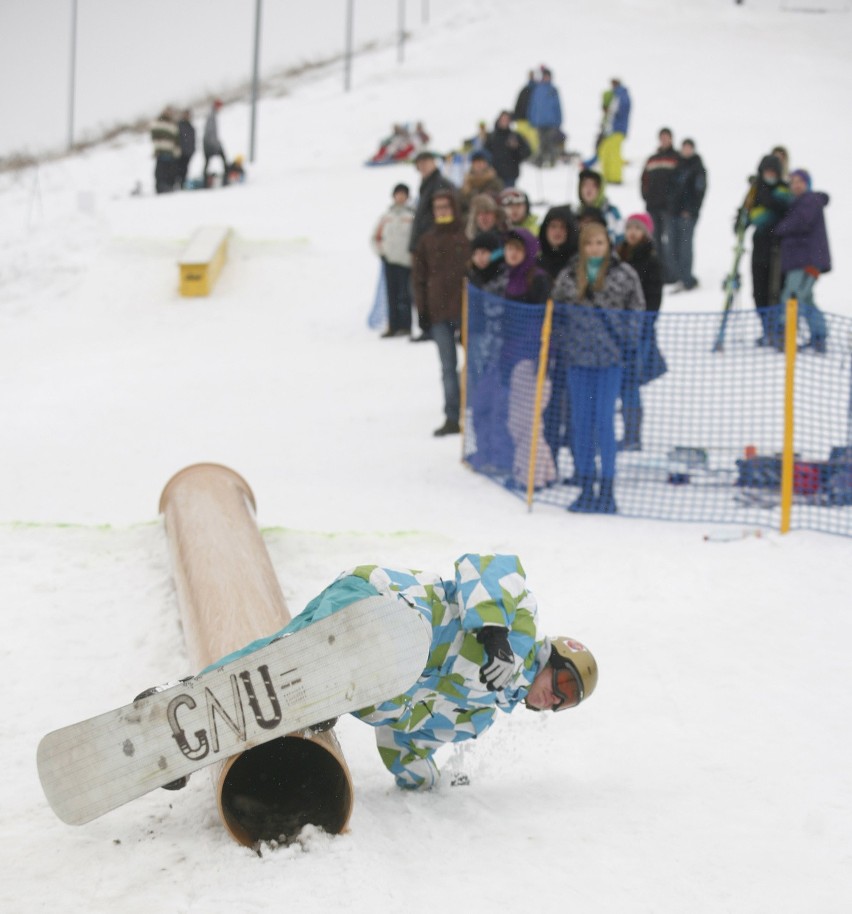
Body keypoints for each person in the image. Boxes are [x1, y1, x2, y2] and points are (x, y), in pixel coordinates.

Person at [205, 553, 598, 791]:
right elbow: (491, 566)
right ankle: (337, 677)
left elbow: (404, 744)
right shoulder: (522, 626)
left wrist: (426, 780)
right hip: (381, 602)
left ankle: (194, 702)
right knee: (290, 662)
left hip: (360, 669)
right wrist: (494, 630)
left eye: (564, 703)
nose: (555, 698)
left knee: (277, 662)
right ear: (553, 658)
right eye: (563, 683)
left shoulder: (475, 717)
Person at [552, 222, 645, 513]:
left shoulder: (624, 275)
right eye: (589, 244)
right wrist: (564, 342)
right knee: (580, 424)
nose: (594, 249)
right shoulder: (568, 276)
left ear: (608, 245)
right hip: (578, 361)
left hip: (609, 360)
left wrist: (626, 340)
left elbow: (637, 308)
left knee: (603, 422)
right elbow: (556, 313)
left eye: (600, 243)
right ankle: (586, 485)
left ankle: (607, 486)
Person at [499, 229, 556, 490]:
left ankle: (528, 475)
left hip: (533, 359)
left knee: (526, 421)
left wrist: (539, 357)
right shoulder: (511, 278)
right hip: (514, 357)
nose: (512, 253)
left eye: (518, 249)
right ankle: (545, 472)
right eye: (509, 248)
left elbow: (543, 321)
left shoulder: (537, 279)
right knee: (522, 420)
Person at [412, 190, 470, 436]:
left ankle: (473, 412)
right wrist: (422, 311)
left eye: (446, 207)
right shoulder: (427, 240)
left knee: (473, 364)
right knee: (447, 367)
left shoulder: (466, 236)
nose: (442, 212)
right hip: (438, 312)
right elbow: (419, 278)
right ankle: (451, 416)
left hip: (466, 311)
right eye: (438, 208)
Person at [537, 206, 580, 481]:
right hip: (544, 346)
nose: (557, 232)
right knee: (549, 409)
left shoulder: (577, 264)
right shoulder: (537, 262)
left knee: (575, 408)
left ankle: (581, 467)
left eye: (562, 228)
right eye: (552, 227)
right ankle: (548, 463)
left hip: (574, 346)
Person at [616, 213, 665, 451]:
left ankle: (632, 435)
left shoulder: (651, 260)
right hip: (616, 330)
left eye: (637, 228)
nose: (632, 232)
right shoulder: (618, 255)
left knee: (630, 383)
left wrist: (643, 326)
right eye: (629, 228)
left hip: (639, 331)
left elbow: (654, 299)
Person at [773, 169, 831, 353]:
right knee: (805, 298)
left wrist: (778, 228)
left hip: (806, 261)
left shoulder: (809, 201)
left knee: (792, 296)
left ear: (807, 184)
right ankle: (819, 336)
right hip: (801, 260)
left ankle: (786, 337)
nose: (796, 185)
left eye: (800, 181)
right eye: (793, 182)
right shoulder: (798, 203)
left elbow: (799, 223)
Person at [409, 151, 458, 341]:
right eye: (419, 163)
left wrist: (430, 238)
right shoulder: (426, 184)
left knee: (432, 286)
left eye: (426, 162)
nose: (422, 166)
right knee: (421, 286)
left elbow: (442, 216)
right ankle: (430, 326)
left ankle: (436, 327)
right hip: (424, 244)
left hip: (434, 245)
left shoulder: (439, 183)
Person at [743, 153, 792, 345]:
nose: (769, 175)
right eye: (766, 171)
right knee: (759, 290)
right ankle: (766, 329)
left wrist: (761, 208)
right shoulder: (755, 191)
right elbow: (750, 214)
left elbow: (779, 210)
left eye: (773, 172)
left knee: (776, 289)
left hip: (778, 248)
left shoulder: (783, 190)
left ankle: (778, 330)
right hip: (760, 246)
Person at [371, 183, 415, 338]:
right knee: (392, 295)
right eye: (398, 194)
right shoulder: (386, 217)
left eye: (404, 194)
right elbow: (375, 237)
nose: (400, 197)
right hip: (390, 261)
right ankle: (393, 325)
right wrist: (382, 253)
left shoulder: (411, 216)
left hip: (406, 262)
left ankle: (406, 325)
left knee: (405, 295)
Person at [640, 128, 680, 283]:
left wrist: (674, 201)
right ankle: (660, 273)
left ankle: (672, 274)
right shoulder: (652, 159)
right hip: (653, 206)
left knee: (670, 242)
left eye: (666, 137)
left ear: (671, 139)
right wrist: (646, 196)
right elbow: (644, 179)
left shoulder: (676, 158)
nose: (664, 140)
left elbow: (679, 183)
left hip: (669, 208)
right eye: (661, 137)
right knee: (655, 242)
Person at [668, 138, 707, 292]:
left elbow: (699, 191)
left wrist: (690, 210)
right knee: (672, 246)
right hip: (673, 212)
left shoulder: (697, 167)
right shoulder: (676, 165)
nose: (686, 151)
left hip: (688, 215)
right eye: (684, 147)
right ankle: (678, 276)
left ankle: (687, 279)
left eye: (689, 148)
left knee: (685, 247)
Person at [527, 66, 564, 167]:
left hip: (551, 122)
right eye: (545, 76)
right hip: (540, 122)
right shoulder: (537, 89)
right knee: (541, 142)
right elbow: (533, 105)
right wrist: (531, 119)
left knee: (551, 142)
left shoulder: (553, 90)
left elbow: (558, 106)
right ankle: (540, 161)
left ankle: (552, 161)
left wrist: (559, 120)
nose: (546, 78)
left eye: (548, 76)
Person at [597, 78, 631, 185]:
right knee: (605, 152)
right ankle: (606, 177)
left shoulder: (621, 95)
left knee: (614, 154)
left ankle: (615, 178)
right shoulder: (616, 95)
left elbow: (620, 110)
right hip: (610, 130)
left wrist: (610, 111)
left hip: (618, 129)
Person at [485, 111, 532, 187]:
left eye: (507, 119)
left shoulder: (515, 136)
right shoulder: (491, 137)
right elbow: (485, 154)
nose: (504, 122)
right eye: (503, 119)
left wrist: (516, 148)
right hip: (493, 176)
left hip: (510, 176)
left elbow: (527, 152)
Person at [577, 168, 623, 246]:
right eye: (585, 185)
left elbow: (620, 240)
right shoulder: (575, 213)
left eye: (593, 185)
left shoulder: (612, 213)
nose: (589, 189)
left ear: (601, 189)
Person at [459, 150, 504, 218]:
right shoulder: (467, 182)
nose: (479, 165)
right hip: (469, 217)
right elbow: (462, 203)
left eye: (482, 162)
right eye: (476, 162)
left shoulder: (495, 182)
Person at [150, 108, 180, 194]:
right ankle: (159, 188)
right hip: (161, 152)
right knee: (160, 172)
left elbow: (177, 139)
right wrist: (157, 148)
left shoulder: (172, 124)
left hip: (170, 152)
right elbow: (154, 136)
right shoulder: (158, 122)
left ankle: (169, 187)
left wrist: (176, 151)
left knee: (170, 172)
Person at [203, 99, 228, 185]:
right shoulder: (211, 116)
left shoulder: (212, 115)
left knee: (207, 162)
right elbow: (210, 132)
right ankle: (207, 182)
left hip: (210, 143)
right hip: (210, 144)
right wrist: (216, 145)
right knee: (212, 161)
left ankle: (206, 181)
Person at [174, 110, 196, 189]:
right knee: (177, 170)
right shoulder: (179, 125)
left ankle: (182, 185)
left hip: (188, 153)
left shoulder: (191, 127)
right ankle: (176, 185)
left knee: (185, 170)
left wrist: (192, 150)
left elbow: (193, 140)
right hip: (180, 153)